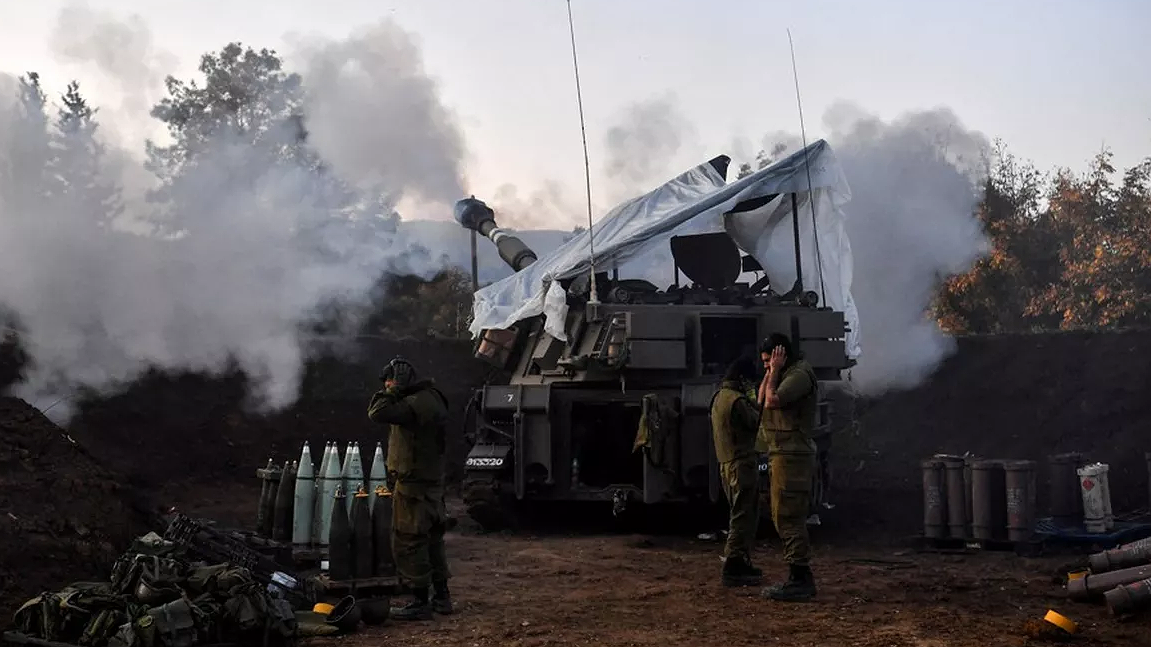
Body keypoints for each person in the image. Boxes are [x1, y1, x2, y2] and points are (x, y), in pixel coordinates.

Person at [367, 356, 453, 620]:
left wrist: (393, 390)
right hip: (431, 483)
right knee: (433, 541)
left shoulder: (414, 403)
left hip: (414, 486)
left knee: (409, 540)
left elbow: (377, 412)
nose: (387, 386)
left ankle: (420, 601)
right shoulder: (431, 397)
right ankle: (442, 597)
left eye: (389, 382)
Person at [756, 333, 819, 602]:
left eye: (769, 360)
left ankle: (800, 577)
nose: (766, 366)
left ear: (782, 355)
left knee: (789, 516)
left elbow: (772, 402)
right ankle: (797, 575)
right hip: (782, 453)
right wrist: (771, 371)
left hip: (793, 454)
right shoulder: (780, 373)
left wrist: (776, 370)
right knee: (781, 514)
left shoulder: (799, 376)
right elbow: (761, 397)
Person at [709, 355, 764, 587]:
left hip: (726, 463)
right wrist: (754, 397)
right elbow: (756, 422)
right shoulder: (737, 400)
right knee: (743, 516)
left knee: (738, 512)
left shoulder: (719, 396)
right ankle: (733, 564)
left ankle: (741, 562)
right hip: (741, 464)